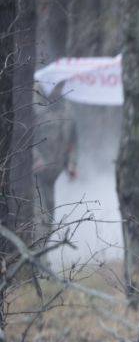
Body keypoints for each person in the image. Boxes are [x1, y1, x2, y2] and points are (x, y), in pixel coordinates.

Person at [32, 86, 79, 241]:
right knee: (40, 217)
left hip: (53, 174)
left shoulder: (68, 111)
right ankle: (36, 261)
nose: (57, 90)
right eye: (55, 86)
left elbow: (72, 142)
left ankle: (40, 254)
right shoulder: (35, 110)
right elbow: (24, 138)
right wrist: (36, 158)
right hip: (34, 175)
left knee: (49, 216)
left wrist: (71, 164)